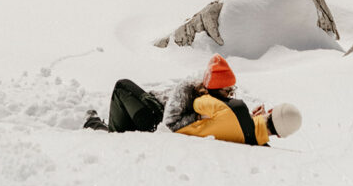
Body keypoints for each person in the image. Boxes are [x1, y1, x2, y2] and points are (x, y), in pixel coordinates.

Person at [83, 54, 302, 146]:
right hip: (156, 112)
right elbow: (234, 121)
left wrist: (196, 109)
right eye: (229, 90)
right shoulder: (250, 133)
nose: (232, 94)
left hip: (154, 119)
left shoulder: (207, 100)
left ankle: (95, 126)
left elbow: (169, 121)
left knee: (122, 87)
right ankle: (99, 127)